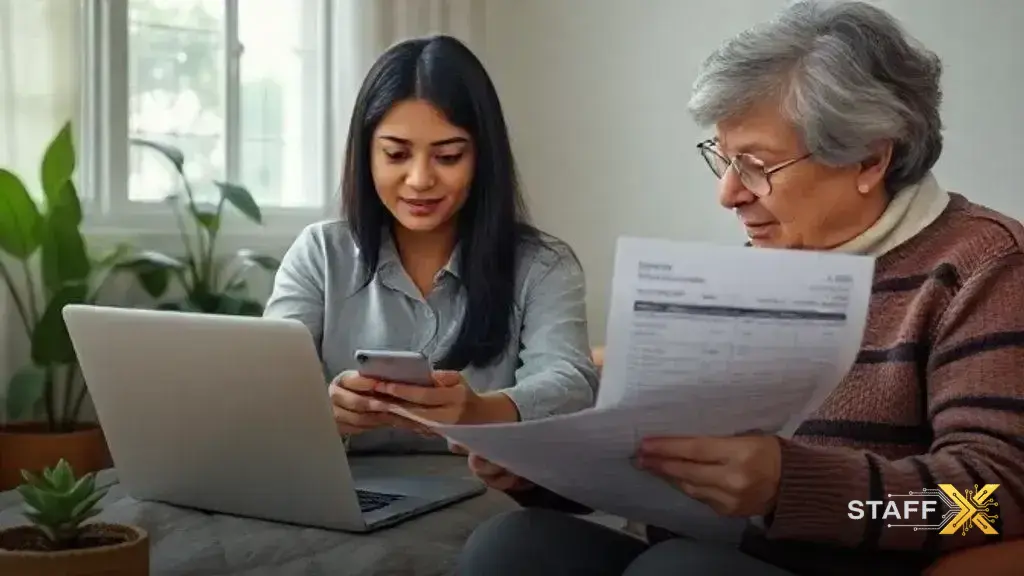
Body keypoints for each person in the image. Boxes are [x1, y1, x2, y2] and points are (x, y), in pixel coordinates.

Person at [455, 2, 1024, 575]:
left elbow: (990, 506)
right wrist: (543, 470)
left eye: (755, 165)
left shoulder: (983, 266)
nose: (728, 194)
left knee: (677, 571)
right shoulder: (759, 268)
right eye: (723, 161)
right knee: (512, 546)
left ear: (871, 158)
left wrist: (794, 488)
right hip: (696, 552)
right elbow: (661, 467)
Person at [263, 34, 599, 453]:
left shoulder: (542, 266)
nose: (420, 180)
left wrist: (480, 412)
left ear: (481, 158)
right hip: (348, 489)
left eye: (448, 156)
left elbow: (570, 382)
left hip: (482, 491)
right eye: (396, 154)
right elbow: (268, 388)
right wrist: (324, 413)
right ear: (366, 155)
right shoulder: (320, 254)